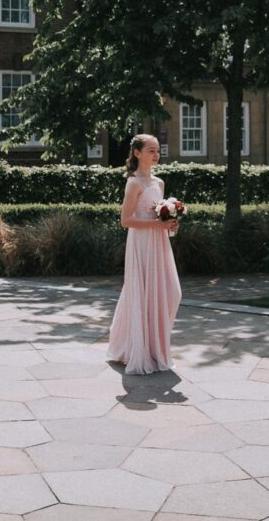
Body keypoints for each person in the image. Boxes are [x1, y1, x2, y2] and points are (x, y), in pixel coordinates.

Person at [107, 134, 182, 375]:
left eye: (157, 150)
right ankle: (135, 349)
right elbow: (126, 220)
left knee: (172, 292)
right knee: (141, 292)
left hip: (159, 242)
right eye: (150, 150)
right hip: (140, 243)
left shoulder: (159, 183)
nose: (156, 154)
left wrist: (170, 224)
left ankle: (155, 348)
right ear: (137, 153)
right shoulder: (133, 183)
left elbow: (159, 216)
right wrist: (158, 226)